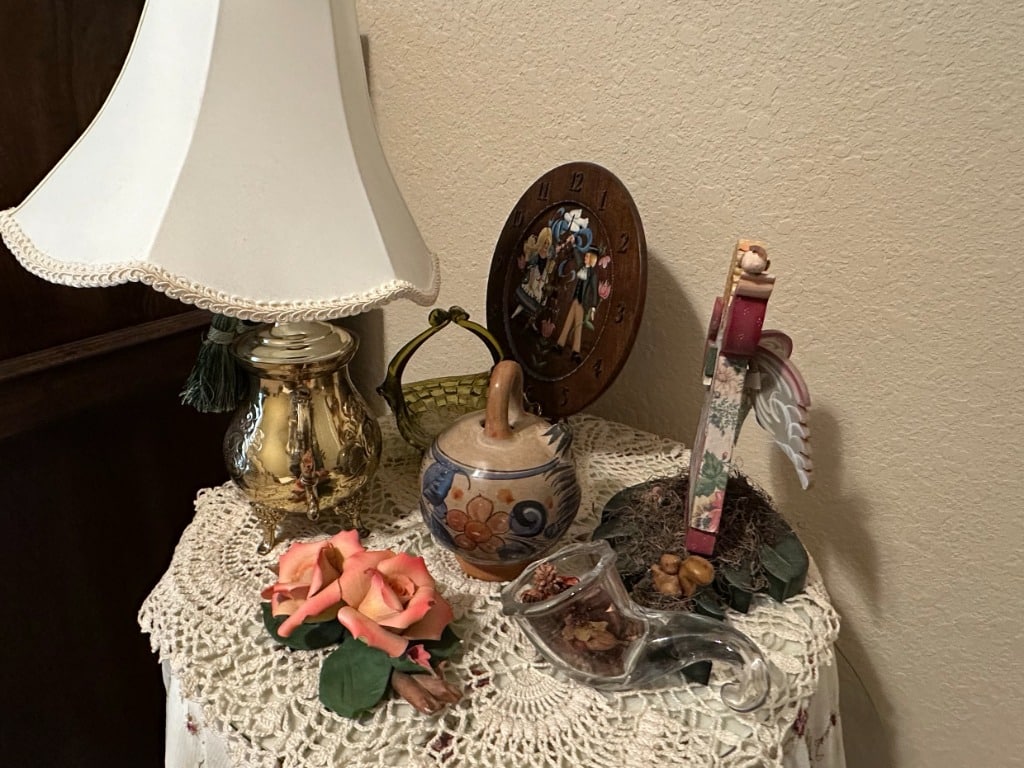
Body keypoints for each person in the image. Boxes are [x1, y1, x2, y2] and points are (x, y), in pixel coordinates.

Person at [555, 250, 599, 362]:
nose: (585, 257)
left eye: (587, 256)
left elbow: (594, 291)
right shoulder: (581, 267)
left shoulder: (592, 275)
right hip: (575, 300)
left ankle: (576, 351)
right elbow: (578, 257)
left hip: (581, 303)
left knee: (578, 326)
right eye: (586, 255)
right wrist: (574, 246)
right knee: (568, 322)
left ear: (592, 259)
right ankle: (560, 344)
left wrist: (593, 307)